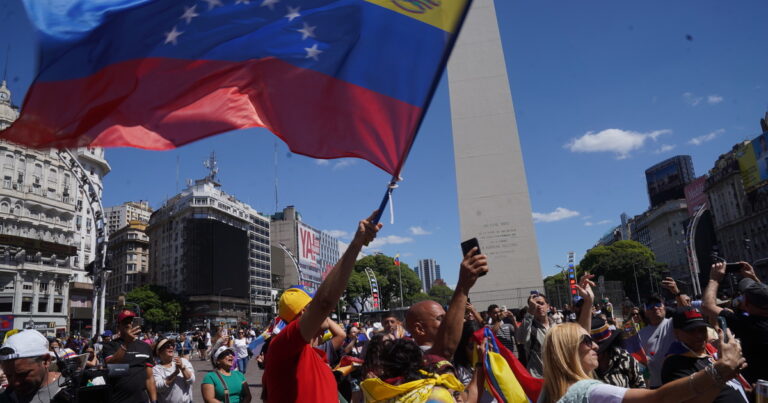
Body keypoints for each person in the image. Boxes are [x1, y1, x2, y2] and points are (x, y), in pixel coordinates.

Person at [262, 212, 382, 402]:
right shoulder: (282, 347)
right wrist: (356, 244)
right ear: (303, 313)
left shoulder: (317, 355)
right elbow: (324, 303)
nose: (329, 311)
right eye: (312, 304)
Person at [538, 322, 747, 403]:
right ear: (568, 350)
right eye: (587, 341)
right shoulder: (587, 391)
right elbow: (659, 397)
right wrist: (721, 367)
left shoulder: (549, 393)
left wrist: (722, 377)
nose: (595, 347)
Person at [404, 245, 489, 365]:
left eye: (447, 316)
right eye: (441, 319)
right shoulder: (412, 362)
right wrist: (463, 286)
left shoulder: (460, 355)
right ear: (419, 329)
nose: (449, 321)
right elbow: (444, 351)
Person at [661, 306, 748, 402]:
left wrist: (750, 392)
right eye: (691, 331)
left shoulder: (710, 352)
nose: (699, 335)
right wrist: (722, 372)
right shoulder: (675, 363)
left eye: (702, 329)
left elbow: (729, 387)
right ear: (677, 333)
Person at [702, 261, 768, 384]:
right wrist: (752, 277)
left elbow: (707, 306)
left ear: (747, 304)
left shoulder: (750, 324)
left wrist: (714, 279)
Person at [637, 277, 690, 388]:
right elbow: (638, 360)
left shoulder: (672, 323)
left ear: (664, 308)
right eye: (651, 306)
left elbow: (687, 313)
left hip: (678, 380)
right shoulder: (640, 334)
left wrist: (676, 292)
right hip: (655, 385)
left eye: (658, 304)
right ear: (646, 312)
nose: (655, 308)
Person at [102, 309, 158, 403]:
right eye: (125, 322)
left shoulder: (144, 346)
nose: (129, 324)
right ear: (118, 326)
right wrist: (126, 343)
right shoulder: (110, 345)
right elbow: (110, 367)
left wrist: (154, 401)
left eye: (131, 322)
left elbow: (149, 378)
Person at [0, 330, 62, 403]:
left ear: (46, 361)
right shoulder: (7, 396)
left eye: (22, 374)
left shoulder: (72, 391)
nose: (15, 382)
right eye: (9, 375)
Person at [519, 292, 555, 377]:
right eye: (534, 305)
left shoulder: (556, 326)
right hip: (539, 378)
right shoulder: (529, 328)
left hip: (558, 376)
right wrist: (531, 311)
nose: (538, 306)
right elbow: (520, 337)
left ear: (548, 306)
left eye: (541, 303)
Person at [153, 337, 195, 403]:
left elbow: (191, 380)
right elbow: (158, 387)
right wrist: (175, 374)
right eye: (167, 346)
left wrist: (182, 368)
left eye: (172, 345)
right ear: (159, 352)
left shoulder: (183, 361)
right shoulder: (156, 369)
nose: (171, 347)